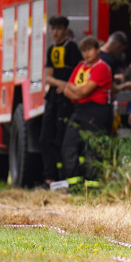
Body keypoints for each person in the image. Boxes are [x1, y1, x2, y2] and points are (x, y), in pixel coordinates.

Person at [58, 35, 113, 189]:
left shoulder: (101, 67)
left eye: (89, 49)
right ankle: (75, 183)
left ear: (97, 50)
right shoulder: (81, 66)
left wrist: (74, 90)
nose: (86, 54)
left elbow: (83, 90)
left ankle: (93, 185)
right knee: (69, 144)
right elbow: (68, 91)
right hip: (79, 109)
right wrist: (75, 90)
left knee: (92, 148)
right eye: (83, 50)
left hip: (96, 110)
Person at [40, 16, 83, 187]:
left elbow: (79, 71)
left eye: (58, 29)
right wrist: (60, 84)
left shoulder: (71, 48)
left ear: (65, 30)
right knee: (45, 139)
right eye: (53, 29)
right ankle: (49, 176)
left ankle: (61, 177)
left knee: (61, 138)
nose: (55, 32)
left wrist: (67, 87)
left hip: (66, 100)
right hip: (53, 98)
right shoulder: (51, 50)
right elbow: (48, 77)